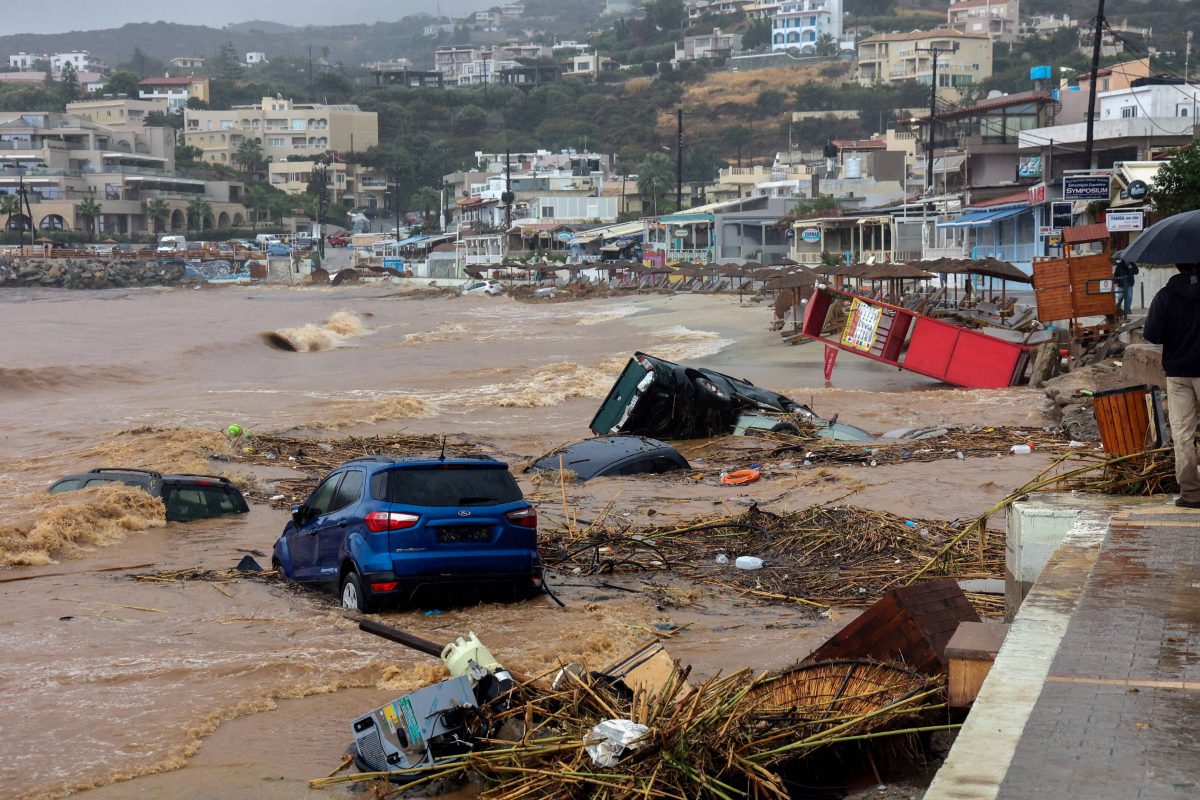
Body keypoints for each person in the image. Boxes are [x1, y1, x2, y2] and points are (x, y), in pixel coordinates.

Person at [1143, 263, 1200, 508]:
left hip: (1178, 373)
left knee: (1183, 435)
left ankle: (1191, 494)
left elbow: (1152, 334)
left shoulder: (1165, 295)